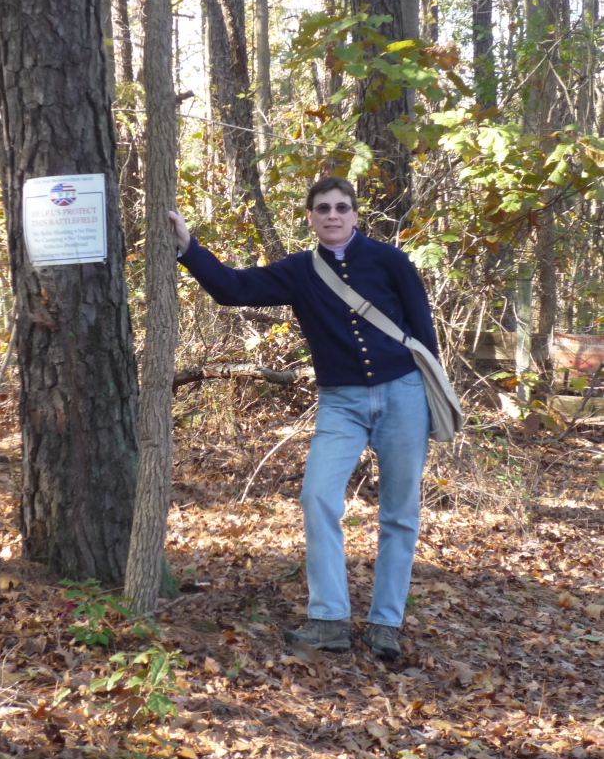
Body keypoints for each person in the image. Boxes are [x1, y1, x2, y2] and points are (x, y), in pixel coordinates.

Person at [169, 177, 437, 660]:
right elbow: (234, 289)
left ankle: (385, 625)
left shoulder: (392, 261)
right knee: (316, 496)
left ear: (355, 215)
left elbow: (423, 334)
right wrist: (189, 248)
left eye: (341, 207)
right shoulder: (299, 270)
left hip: (404, 395)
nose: (332, 215)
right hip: (341, 402)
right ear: (310, 218)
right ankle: (330, 619)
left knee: (399, 513)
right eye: (322, 209)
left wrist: (432, 400)